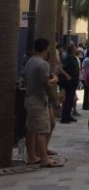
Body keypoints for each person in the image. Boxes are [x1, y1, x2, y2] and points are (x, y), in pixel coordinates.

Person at [23, 38, 63, 167]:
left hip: (29, 98)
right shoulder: (43, 64)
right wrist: (54, 100)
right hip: (39, 99)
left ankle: (32, 157)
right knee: (42, 130)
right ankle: (44, 159)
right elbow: (45, 83)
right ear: (46, 49)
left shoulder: (30, 61)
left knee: (31, 129)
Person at [59, 44, 80, 123]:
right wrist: (66, 75)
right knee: (68, 100)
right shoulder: (68, 58)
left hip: (74, 82)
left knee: (71, 100)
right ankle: (64, 117)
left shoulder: (74, 58)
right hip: (68, 83)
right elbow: (60, 67)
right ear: (72, 50)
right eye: (75, 48)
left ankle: (68, 115)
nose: (76, 49)